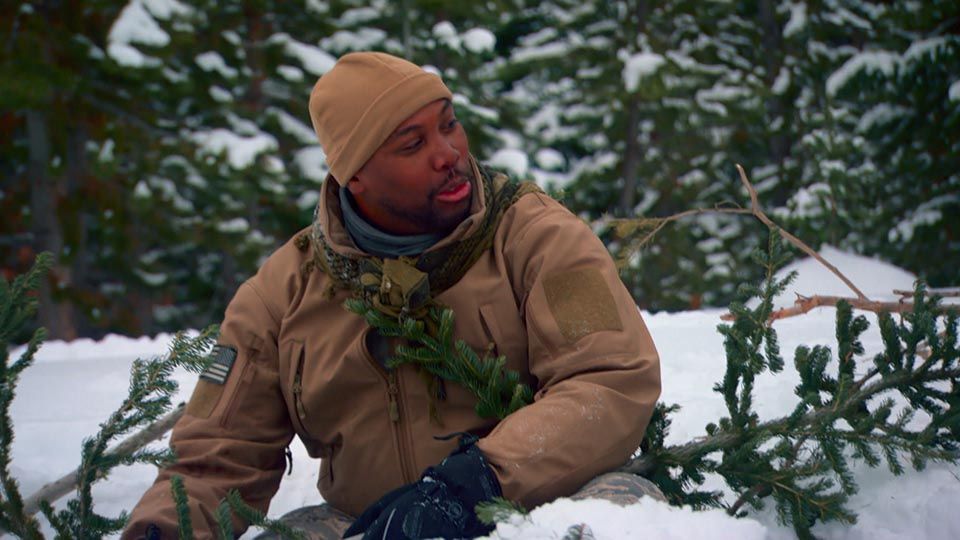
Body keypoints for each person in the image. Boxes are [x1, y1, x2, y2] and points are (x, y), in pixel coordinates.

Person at [123, 51, 661, 540]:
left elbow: (609, 378)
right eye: (412, 144)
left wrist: (475, 483)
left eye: (449, 125)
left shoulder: (539, 236)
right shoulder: (281, 294)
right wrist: (160, 533)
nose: (448, 154)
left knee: (617, 519)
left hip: (532, 508)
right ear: (354, 176)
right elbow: (216, 459)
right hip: (372, 526)